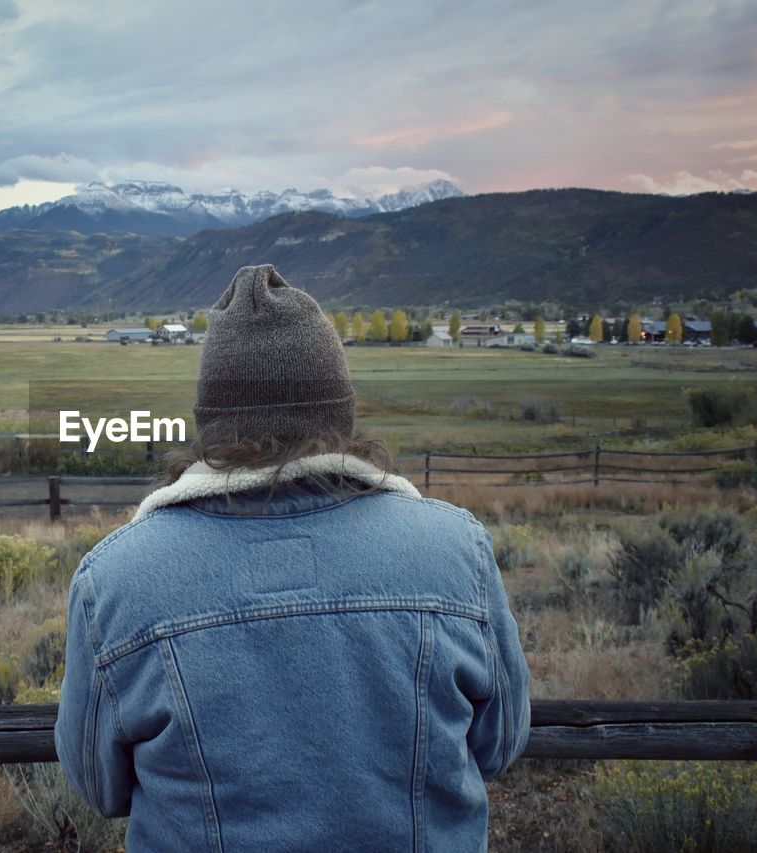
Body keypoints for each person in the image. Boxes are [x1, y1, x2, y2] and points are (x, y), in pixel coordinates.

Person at [56, 264, 530, 852]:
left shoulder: (115, 581)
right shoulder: (458, 553)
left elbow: (99, 785)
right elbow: (500, 744)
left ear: (212, 423)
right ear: (340, 413)